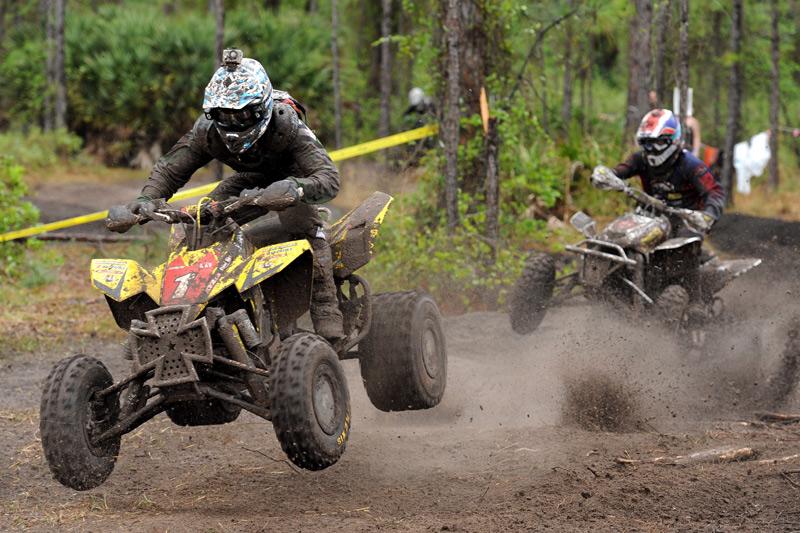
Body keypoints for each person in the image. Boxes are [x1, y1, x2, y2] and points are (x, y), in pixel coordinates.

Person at [125, 49, 344, 342]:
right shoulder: (207, 132)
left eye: (241, 113)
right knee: (202, 222)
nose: (232, 121)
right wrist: (145, 200)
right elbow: (170, 169)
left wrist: (297, 188)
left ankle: (326, 310)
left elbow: (328, 177)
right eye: (222, 114)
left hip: (293, 179)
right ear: (211, 112)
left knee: (302, 224)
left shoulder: (287, 124)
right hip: (249, 180)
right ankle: (208, 315)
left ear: (261, 106)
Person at [612, 109, 725, 316]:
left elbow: (715, 192)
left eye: (657, 142)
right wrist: (606, 175)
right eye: (646, 143)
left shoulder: (690, 165)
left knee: (684, 245)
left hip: (687, 220)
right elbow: (620, 171)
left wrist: (708, 215)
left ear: (673, 140)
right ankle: (614, 284)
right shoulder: (641, 159)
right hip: (651, 217)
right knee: (619, 236)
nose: (651, 149)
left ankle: (696, 303)